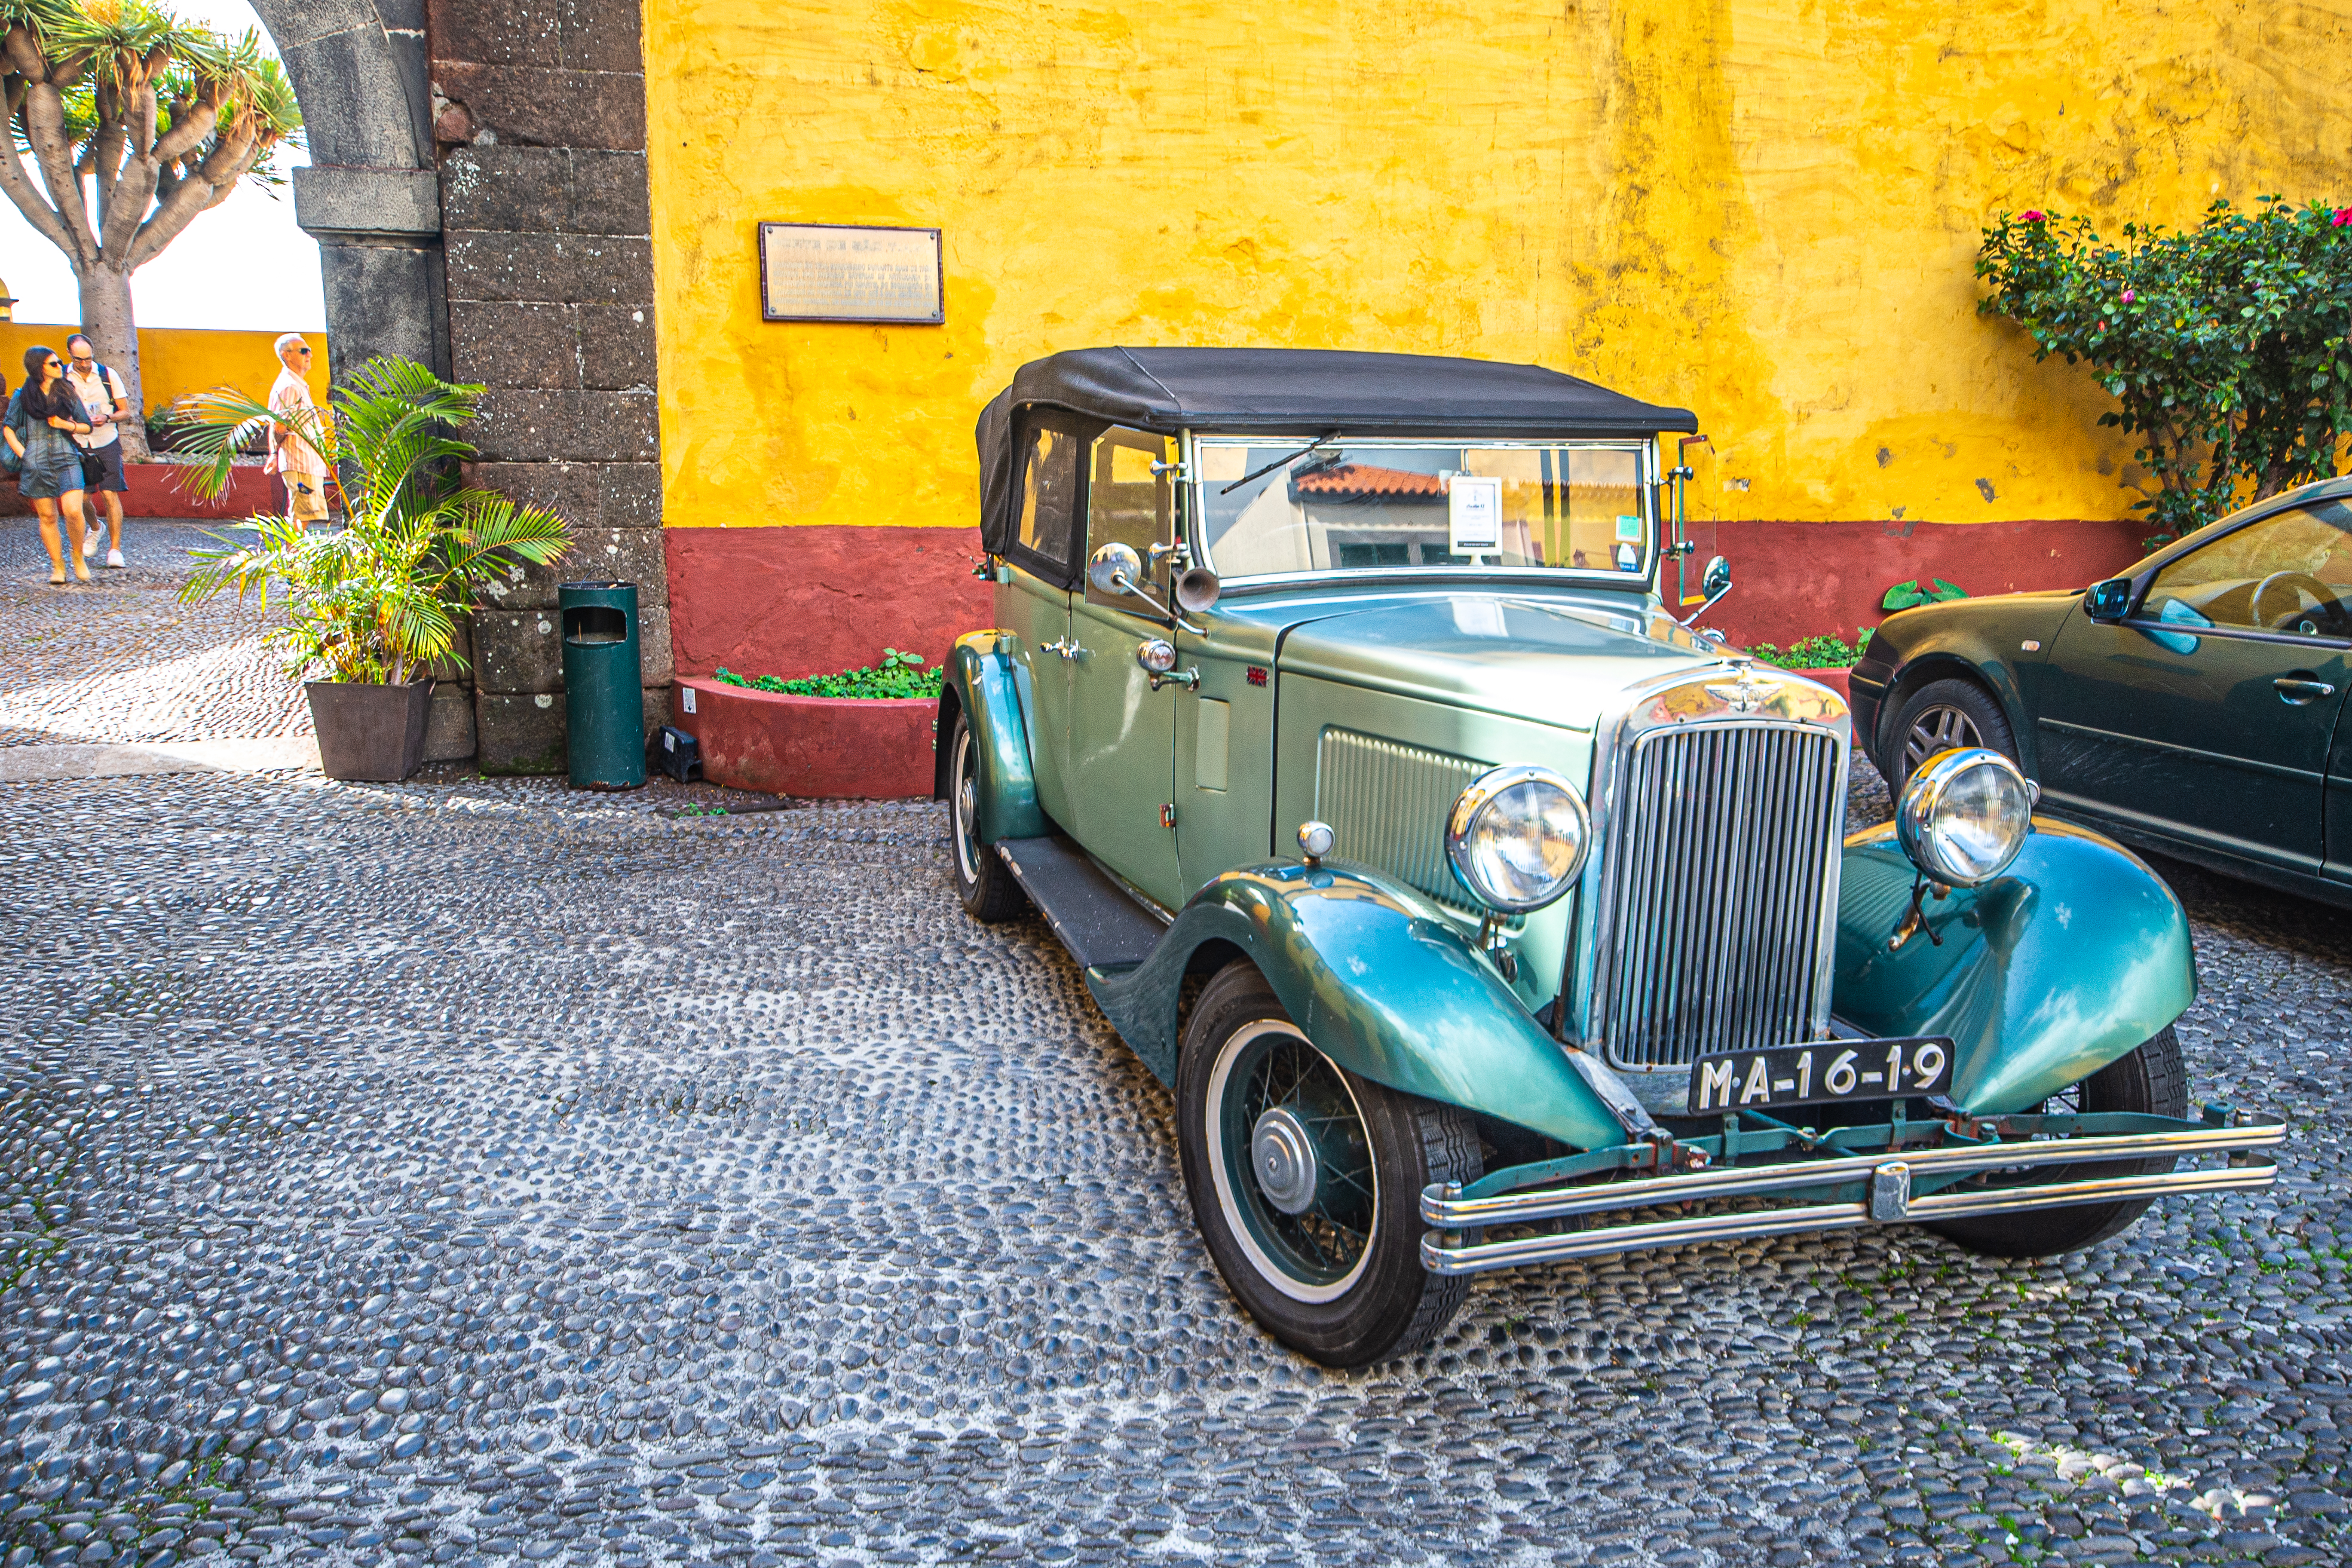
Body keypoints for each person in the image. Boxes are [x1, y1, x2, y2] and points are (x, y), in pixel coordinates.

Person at [5, 346, 99, 585]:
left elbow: (86, 426)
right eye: (54, 364)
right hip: (36, 462)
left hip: (66, 458)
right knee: (47, 516)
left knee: (74, 512)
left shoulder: (67, 392)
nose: (60, 367)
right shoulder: (22, 395)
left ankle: (78, 557)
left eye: (59, 362)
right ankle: (58, 567)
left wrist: (65, 425)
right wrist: (25, 455)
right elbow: (9, 428)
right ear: (39, 369)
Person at [63, 332, 131, 568]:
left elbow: (125, 411)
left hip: (106, 440)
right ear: (69, 355)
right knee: (82, 497)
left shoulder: (107, 374)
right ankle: (95, 528)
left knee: (110, 494)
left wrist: (108, 416)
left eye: (88, 359)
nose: (84, 364)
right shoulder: (62, 377)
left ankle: (115, 549)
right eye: (79, 359)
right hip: (78, 443)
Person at [265, 332, 330, 528]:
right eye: (303, 351)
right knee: (301, 512)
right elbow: (279, 426)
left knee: (306, 512)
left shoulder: (297, 385)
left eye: (309, 350)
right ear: (286, 355)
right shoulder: (289, 386)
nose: (309, 354)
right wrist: (275, 454)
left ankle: (295, 554)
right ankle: (292, 555)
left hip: (306, 464)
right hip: (300, 463)